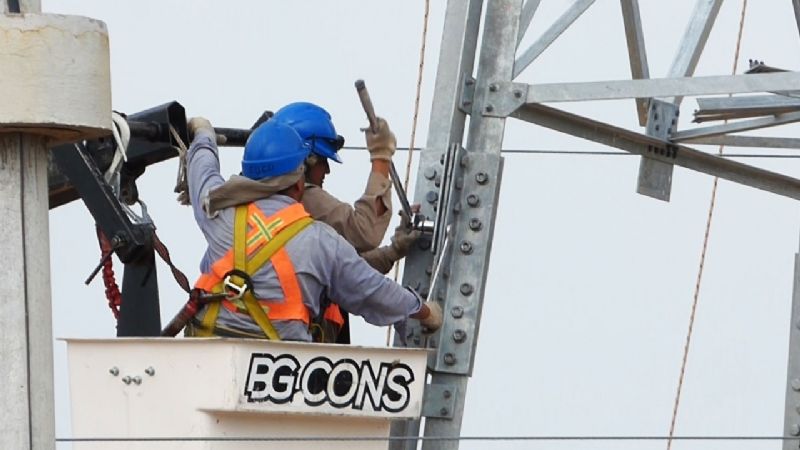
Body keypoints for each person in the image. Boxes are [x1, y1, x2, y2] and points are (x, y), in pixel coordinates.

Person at [183, 116, 441, 341]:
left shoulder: (217, 209)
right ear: (298, 182)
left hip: (205, 351)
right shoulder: (320, 240)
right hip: (279, 365)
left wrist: (203, 134)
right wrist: (425, 311)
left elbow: (202, 169)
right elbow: (372, 290)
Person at [270, 102, 420, 273]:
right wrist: (381, 156)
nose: (327, 170)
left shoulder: (258, 200)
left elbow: (343, 269)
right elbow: (365, 231)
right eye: (323, 160)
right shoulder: (299, 197)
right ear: (306, 160)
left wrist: (392, 252)